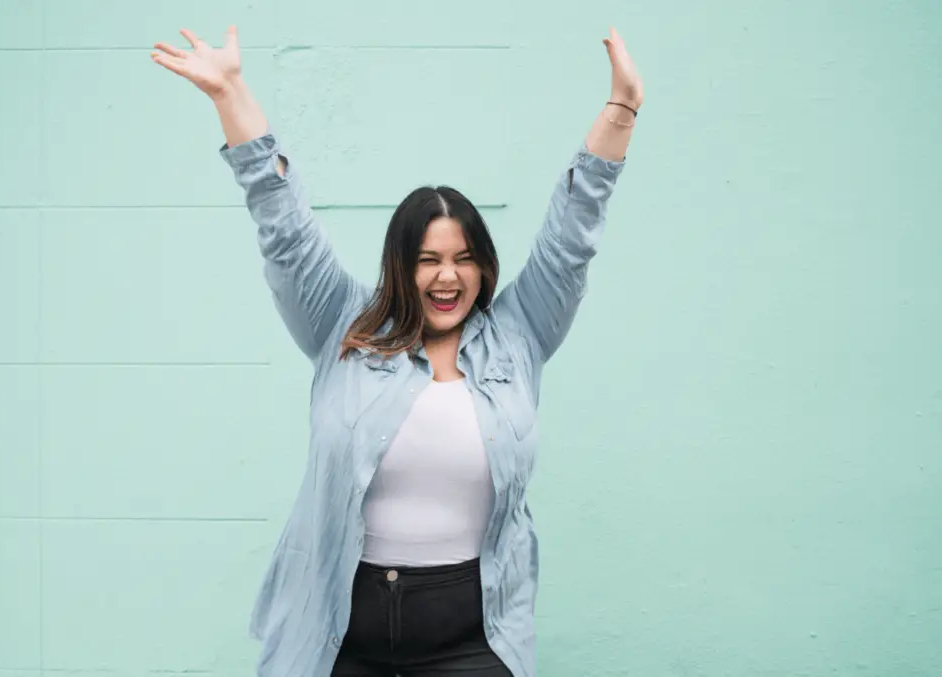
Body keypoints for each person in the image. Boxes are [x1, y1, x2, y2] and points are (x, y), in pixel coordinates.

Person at [151, 22, 642, 677]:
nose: (448, 276)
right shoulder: (343, 325)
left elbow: (571, 235)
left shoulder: (520, 333)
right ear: (399, 264)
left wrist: (621, 109)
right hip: (341, 633)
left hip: (471, 636)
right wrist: (231, 94)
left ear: (484, 266)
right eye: (429, 259)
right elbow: (285, 228)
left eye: (465, 258)